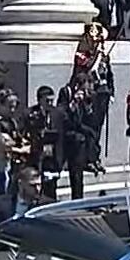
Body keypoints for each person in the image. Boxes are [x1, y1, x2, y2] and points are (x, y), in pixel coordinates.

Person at [73, 22, 115, 167]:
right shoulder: (82, 55)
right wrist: (97, 55)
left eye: (99, 41)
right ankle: (88, 158)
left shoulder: (104, 56)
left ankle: (95, 156)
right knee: (89, 126)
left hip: (103, 93)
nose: (97, 43)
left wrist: (111, 91)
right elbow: (88, 69)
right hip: (90, 95)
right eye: (94, 40)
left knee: (98, 127)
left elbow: (109, 74)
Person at [57, 72, 98, 201]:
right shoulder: (66, 92)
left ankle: (78, 199)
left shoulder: (86, 96)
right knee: (58, 171)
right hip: (66, 135)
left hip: (78, 138)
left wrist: (87, 105)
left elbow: (88, 118)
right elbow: (61, 113)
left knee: (77, 174)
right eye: (85, 86)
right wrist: (74, 102)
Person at [26, 86, 65, 199]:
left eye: (52, 100)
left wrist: (61, 161)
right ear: (40, 100)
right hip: (36, 156)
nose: (50, 103)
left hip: (52, 158)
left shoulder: (58, 113)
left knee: (51, 189)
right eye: (47, 101)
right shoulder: (30, 114)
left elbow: (62, 137)